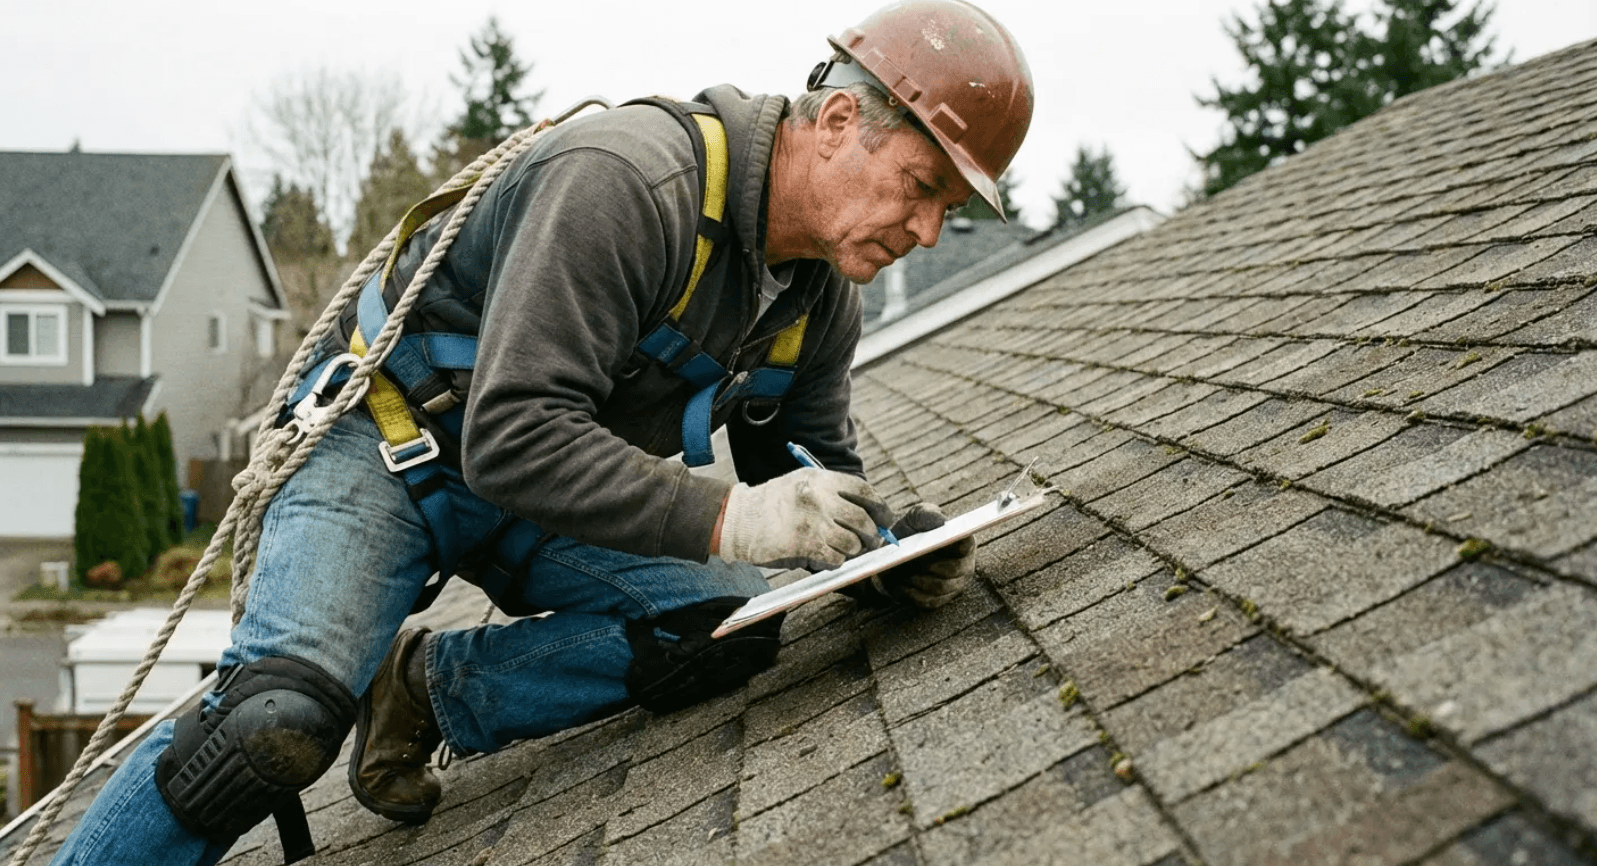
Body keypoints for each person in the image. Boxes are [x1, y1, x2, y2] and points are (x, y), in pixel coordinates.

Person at [49, 2, 1031, 863]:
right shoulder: (630, 184)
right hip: (388, 449)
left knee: (725, 624)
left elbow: (802, 463)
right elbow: (516, 431)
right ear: (839, 121)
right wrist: (736, 517)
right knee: (273, 723)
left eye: (948, 207)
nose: (929, 231)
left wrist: (885, 550)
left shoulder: (818, 300)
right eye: (919, 186)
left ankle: (432, 687)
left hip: (534, 482)